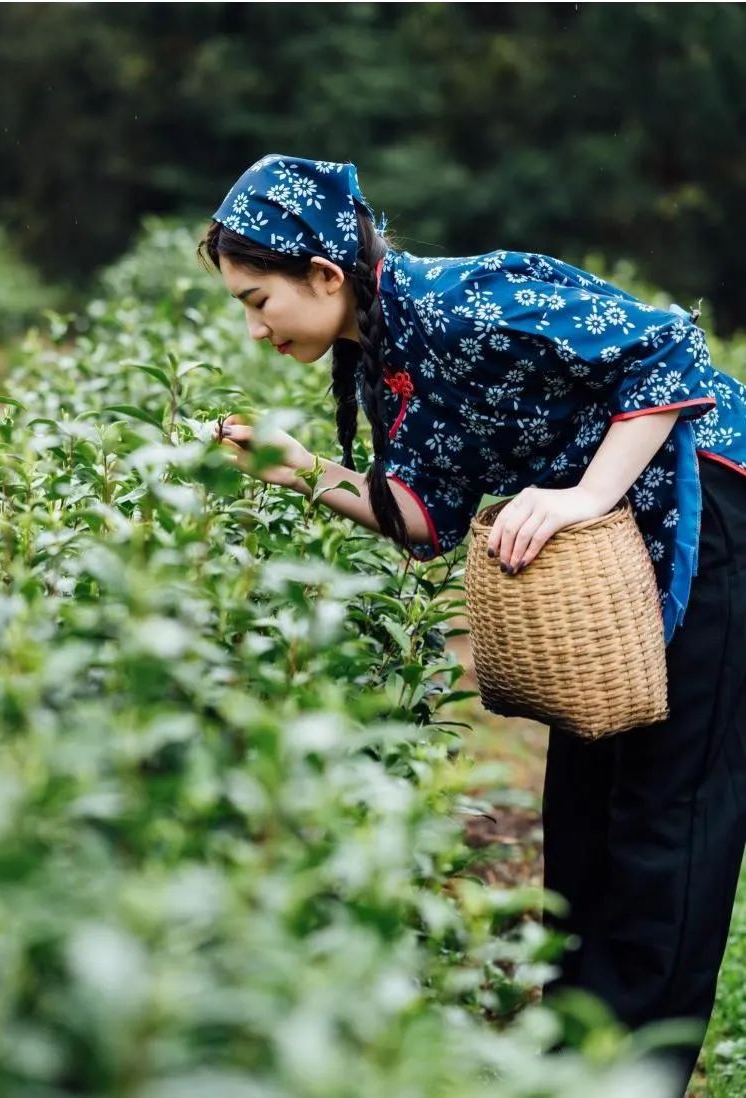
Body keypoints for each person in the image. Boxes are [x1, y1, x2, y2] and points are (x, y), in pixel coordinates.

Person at [199, 153, 746, 1096]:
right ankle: (575, 1044)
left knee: (671, 806)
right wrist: (294, 467)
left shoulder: (466, 302)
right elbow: (423, 514)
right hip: (614, 555)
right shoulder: (384, 356)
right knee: (587, 791)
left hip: (707, 508)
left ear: (324, 276)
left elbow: (670, 348)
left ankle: (637, 1072)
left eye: (259, 301)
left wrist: (582, 495)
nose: (255, 328)